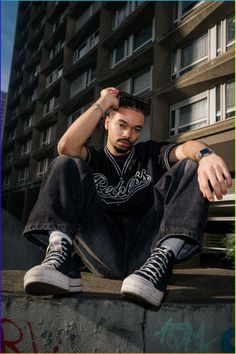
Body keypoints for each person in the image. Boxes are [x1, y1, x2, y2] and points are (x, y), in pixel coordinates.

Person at [23, 87, 232, 307]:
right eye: (122, 125)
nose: (128, 135)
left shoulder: (149, 153)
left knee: (191, 165)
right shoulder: (93, 158)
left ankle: (161, 262)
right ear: (106, 123)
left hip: (147, 251)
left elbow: (186, 148)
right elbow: (66, 146)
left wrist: (206, 155)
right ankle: (60, 259)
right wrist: (103, 102)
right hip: (101, 246)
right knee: (65, 162)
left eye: (136, 129)